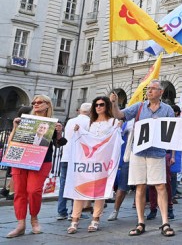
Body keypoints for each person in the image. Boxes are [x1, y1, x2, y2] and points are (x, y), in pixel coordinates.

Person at [111, 80, 176, 237]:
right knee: (140, 187)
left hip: (157, 153)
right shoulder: (139, 106)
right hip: (139, 152)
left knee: (160, 186)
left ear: (161, 92)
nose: (150, 91)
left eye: (153, 89)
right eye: (149, 89)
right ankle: (141, 222)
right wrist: (114, 103)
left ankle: (165, 222)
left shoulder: (167, 109)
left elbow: (173, 131)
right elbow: (119, 115)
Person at [6, 95, 67, 238]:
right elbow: (11, 142)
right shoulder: (25, 117)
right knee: (19, 192)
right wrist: (15, 127)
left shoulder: (53, 122)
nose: (35, 104)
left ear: (47, 105)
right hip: (21, 158)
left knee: (34, 191)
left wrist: (58, 133)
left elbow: (59, 144)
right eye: (34, 102)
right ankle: (21, 224)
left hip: (41, 161)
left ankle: (34, 219)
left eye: (39, 102)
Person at [68, 96, 120, 233]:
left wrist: (118, 127)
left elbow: (116, 141)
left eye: (101, 104)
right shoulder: (89, 123)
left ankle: (95, 219)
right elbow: (82, 138)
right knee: (79, 189)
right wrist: (77, 130)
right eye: (96, 105)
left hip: (103, 161)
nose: (98, 107)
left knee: (99, 191)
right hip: (88, 161)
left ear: (106, 106)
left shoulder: (113, 122)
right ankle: (74, 220)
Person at [57, 102, 92, 220]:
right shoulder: (89, 122)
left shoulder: (70, 121)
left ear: (80, 110)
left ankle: (61, 211)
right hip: (79, 157)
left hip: (66, 156)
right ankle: (75, 211)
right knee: (77, 185)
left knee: (63, 184)